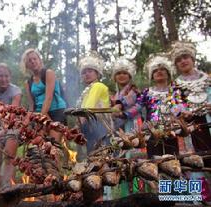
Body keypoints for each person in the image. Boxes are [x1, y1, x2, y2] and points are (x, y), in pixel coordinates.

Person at [170, 41, 211, 202]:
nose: (183, 61)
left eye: (185, 57)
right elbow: (173, 105)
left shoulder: (207, 79)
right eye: (179, 59)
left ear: (193, 59)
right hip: (191, 127)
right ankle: (201, 198)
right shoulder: (176, 85)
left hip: (208, 120)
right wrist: (182, 112)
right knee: (195, 161)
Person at [108, 58, 145, 199]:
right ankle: (124, 195)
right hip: (119, 129)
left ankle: (139, 193)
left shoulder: (134, 90)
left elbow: (137, 105)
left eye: (125, 73)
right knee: (121, 160)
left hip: (133, 126)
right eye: (118, 73)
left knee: (135, 160)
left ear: (129, 76)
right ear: (115, 77)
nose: (122, 75)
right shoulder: (114, 95)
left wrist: (122, 111)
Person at [136, 53, 179, 158]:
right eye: (155, 70)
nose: (159, 71)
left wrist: (178, 116)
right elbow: (137, 109)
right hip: (152, 133)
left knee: (174, 161)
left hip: (171, 132)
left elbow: (181, 107)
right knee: (154, 161)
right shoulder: (146, 92)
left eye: (162, 69)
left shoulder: (175, 90)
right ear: (152, 76)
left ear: (168, 73)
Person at [20, 48, 67, 142]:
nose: (33, 62)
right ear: (26, 65)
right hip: (39, 114)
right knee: (41, 146)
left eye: (35, 59)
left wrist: (41, 118)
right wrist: (27, 120)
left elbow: (48, 98)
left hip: (55, 111)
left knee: (53, 144)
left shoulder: (49, 73)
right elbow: (31, 105)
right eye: (29, 60)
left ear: (39, 60)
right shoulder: (28, 83)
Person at [77, 50, 110, 153]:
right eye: (84, 72)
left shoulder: (98, 86)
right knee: (95, 155)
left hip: (98, 125)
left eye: (90, 71)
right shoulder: (87, 90)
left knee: (100, 155)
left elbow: (88, 107)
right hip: (90, 125)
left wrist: (79, 124)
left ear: (97, 73)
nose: (87, 74)